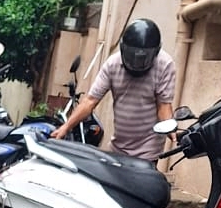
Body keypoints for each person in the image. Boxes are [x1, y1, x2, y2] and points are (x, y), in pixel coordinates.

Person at [52, 19, 176, 163]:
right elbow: (90, 101)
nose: (136, 63)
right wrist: (65, 127)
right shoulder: (113, 64)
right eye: (131, 56)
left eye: (142, 58)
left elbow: (164, 106)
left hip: (148, 151)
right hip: (118, 147)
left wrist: (170, 128)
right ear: (123, 49)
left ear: (156, 53)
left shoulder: (165, 65)